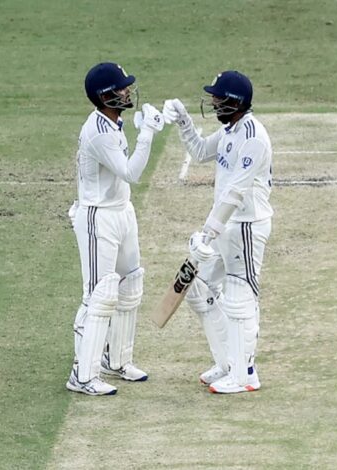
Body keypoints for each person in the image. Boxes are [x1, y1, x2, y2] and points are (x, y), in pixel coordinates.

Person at [162, 70, 273, 394]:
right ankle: (227, 363)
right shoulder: (229, 131)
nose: (212, 102)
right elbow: (198, 151)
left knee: (240, 298)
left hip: (247, 227)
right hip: (226, 227)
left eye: (218, 98)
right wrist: (183, 120)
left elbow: (235, 193)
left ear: (235, 102)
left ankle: (245, 375)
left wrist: (206, 234)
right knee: (199, 287)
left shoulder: (252, 137)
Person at [66, 62, 164, 396]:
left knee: (130, 283)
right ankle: (82, 374)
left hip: (122, 211)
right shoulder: (98, 131)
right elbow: (131, 172)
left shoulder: (114, 121)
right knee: (98, 296)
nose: (127, 92)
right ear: (105, 95)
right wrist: (148, 133)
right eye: (122, 88)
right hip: (99, 218)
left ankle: (116, 360)